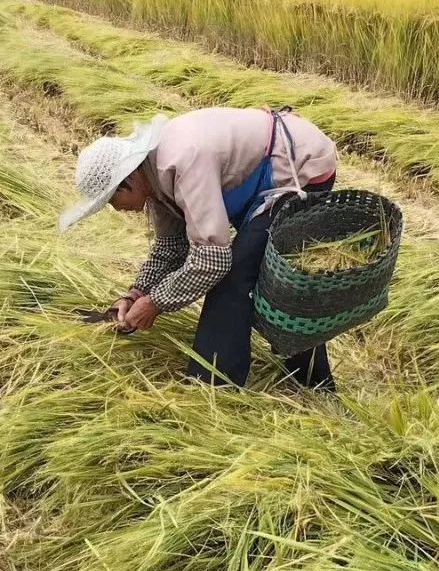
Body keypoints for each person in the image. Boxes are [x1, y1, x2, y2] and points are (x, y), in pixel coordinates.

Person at [59, 106, 338, 390]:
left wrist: (156, 304)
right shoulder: (155, 181)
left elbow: (212, 261)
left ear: (126, 183)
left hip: (300, 167)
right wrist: (135, 295)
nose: (116, 209)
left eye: (110, 201)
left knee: (236, 277)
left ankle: (213, 387)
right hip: (264, 175)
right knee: (266, 270)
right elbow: (170, 249)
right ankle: (310, 380)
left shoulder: (182, 162)